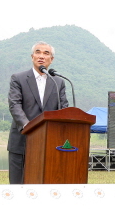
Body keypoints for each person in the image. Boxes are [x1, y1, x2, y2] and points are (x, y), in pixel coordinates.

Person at [7, 41, 69, 184]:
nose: (41, 56)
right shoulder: (18, 78)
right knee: (18, 185)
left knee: (45, 184)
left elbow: (63, 108)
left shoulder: (58, 82)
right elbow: (14, 105)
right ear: (32, 56)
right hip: (22, 141)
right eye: (38, 52)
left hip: (49, 143)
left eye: (46, 53)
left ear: (51, 59)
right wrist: (28, 127)